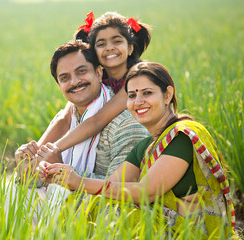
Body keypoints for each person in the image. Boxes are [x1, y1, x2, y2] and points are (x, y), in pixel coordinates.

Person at [39, 62, 236, 238]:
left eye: (147, 93)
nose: (138, 101)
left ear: (167, 95)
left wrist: (79, 181)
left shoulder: (181, 137)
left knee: (115, 214)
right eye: (132, 95)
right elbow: (110, 185)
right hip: (160, 226)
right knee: (85, 202)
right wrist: (63, 178)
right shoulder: (145, 146)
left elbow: (145, 193)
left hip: (190, 232)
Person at [13, 40, 148, 225]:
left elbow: (123, 192)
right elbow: (38, 185)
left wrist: (61, 172)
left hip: (111, 217)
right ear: (59, 86)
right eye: (65, 78)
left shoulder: (125, 125)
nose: (75, 82)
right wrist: (26, 169)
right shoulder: (66, 118)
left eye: (81, 71)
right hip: (76, 205)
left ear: (99, 73)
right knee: (13, 191)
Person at [17, 11, 151, 172]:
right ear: (94, 53)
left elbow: (97, 121)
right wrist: (36, 152)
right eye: (101, 44)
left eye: (117, 41)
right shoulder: (97, 77)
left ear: (130, 48)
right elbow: (65, 118)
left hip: (145, 141)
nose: (109, 48)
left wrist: (55, 149)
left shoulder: (137, 77)